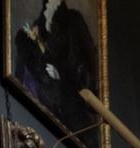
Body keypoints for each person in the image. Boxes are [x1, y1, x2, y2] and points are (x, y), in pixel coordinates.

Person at [12, 0, 97, 140]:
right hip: (47, 90)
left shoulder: (73, 20)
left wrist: (61, 73)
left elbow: (82, 61)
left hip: (70, 95)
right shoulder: (42, 19)